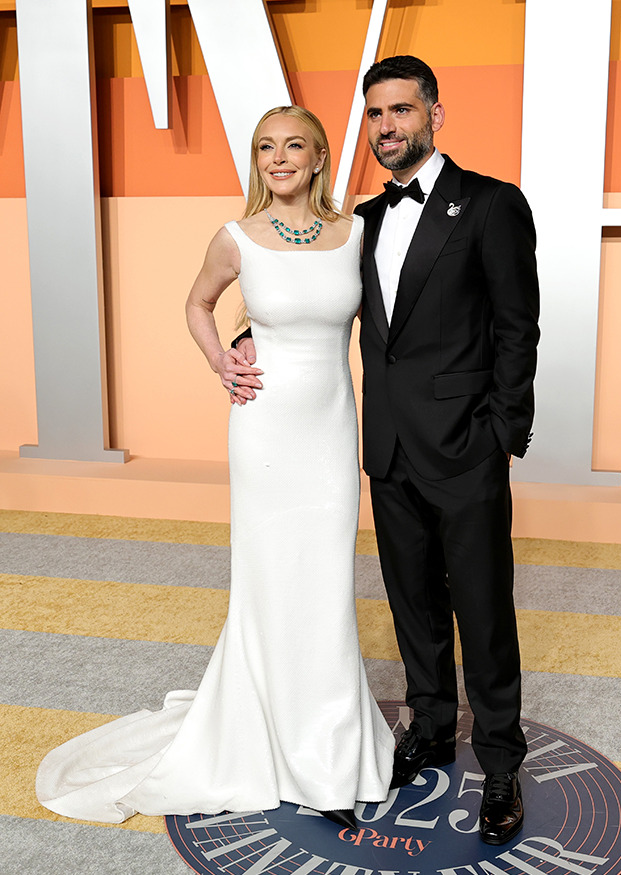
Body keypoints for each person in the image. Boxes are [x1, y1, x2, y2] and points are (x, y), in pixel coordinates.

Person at [35, 106, 394, 829]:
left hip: (329, 434)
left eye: (294, 146)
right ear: (257, 161)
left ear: (320, 157)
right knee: (268, 581)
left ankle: (326, 751)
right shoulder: (236, 238)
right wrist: (223, 358)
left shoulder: (356, 233)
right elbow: (198, 304)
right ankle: (270, 742)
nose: (279, 158)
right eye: (266, 147)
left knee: (325, 582)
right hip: (263, 433)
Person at [233, 57, 540, 846]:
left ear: (436, 112)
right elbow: (315, 300)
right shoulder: (361, 219)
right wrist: (246, 339)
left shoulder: (492, 205)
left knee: (481, 603)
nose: (388, 126)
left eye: (402, 110)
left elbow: (517, 326)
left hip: (466, 445)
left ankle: (501, 760)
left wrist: (503, 433)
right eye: (375, 115)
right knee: (411, 600)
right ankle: (431, 725)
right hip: (385, 444)